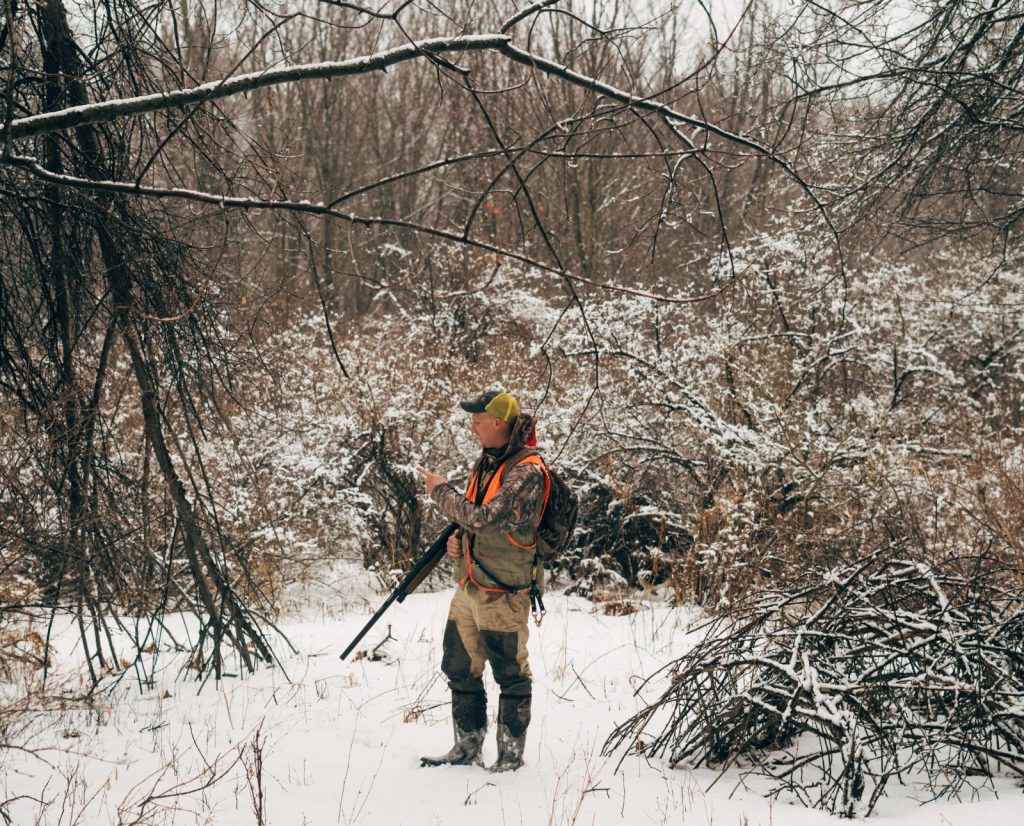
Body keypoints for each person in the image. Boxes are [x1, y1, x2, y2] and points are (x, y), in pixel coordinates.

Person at [415, 390, 549, 773]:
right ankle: (467, 747)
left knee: (510, 671)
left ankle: (509, 758)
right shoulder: (488, 462)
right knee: (458, 664)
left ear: (498, 423)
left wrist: (440, 491)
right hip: (471, 583)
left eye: (477, 420)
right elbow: (475, 520)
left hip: (504, 590)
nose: (472, 427)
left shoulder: (527, 471)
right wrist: (459, 540)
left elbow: (487, 517)